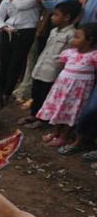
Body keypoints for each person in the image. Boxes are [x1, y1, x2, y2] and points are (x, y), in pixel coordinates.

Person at [35, 23, 97, 153]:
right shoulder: (69, 53)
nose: (73, 40)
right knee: (59, 109)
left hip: (78, 92)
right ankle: (55, 132)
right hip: (62, 89)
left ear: (90, 40)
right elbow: (64, 69)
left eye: (77, 37)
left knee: (70, 113)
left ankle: (64, 136)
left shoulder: (93, 56)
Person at [21, 0, 81, 126]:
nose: (52, 17)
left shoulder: (71, 34)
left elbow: (67, 55)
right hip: (41, 66)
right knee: (36, 92)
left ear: (67, 17)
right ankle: (34, 114)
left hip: (53, 70)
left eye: (56, 15)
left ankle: (43, 119)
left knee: (45, 94)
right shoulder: (54, 31)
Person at [0, 0, 42, 98]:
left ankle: (6, 94)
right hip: (8, 31)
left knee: (15, 65)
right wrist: (3, 27)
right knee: (4, 63)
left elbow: (22, 5)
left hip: (26, 31)